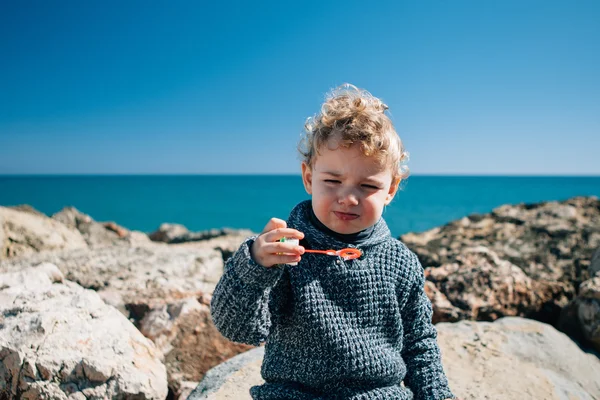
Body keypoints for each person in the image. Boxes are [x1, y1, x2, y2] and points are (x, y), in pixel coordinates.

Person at [211, 84, 456, 400]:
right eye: (332, 181)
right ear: (309, 178)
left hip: (379, 394)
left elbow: (418, 341)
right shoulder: (284, 250)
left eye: (368, 185)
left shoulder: (400, 261)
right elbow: (239, 329)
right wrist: (255, 265)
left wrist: (436, 394)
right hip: (295, 394)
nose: (349, 198)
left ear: (391, 189)